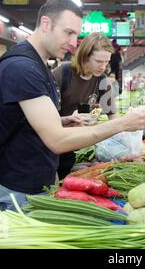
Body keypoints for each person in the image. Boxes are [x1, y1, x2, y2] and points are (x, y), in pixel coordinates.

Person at [0, 0, 145, 211]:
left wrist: (64, 120)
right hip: (22, 188)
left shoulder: (37, 67)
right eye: (68, 32)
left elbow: (29, 121)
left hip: (37, 179)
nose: (73, 42)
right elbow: (56, 140)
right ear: (46, 24)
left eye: (76, 35)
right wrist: (123, 124)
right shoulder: (24, 68)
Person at [52, 32, 117, 179]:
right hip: (56, 144)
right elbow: (43, 117)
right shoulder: (62, 73)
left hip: (81, 147)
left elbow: (113, 115)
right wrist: (69, 119)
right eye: (99, 61)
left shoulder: (102, 81)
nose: (103, 67)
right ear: (85, 56)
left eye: (106, 62)